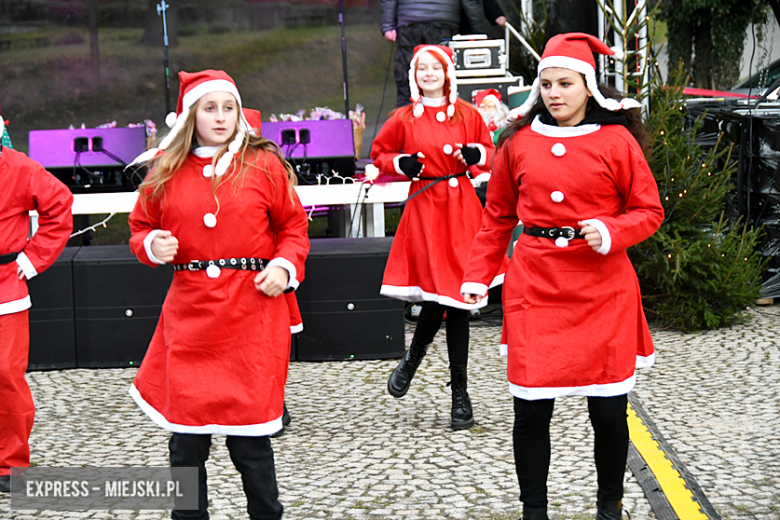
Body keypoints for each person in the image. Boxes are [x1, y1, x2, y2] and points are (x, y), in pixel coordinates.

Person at [461, 33, 664, 520]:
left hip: (603, 288)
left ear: (588, 88)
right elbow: (497, 218)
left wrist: (610, 230)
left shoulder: (616, 141)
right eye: (546, 84)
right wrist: (478, 273)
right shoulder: (519, 143)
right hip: (536, 285)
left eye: (566, 84)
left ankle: (609, 508)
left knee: (609, 412)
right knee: (531, 409)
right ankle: (535, 511)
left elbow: (649, 210)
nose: (554, 93)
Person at [127, 69, 310, 520]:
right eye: (210, 108)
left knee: (251, 442)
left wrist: (284, 266)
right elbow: (140, 227)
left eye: (228, 107)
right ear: (191, 115)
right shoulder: (165, 169)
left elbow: (294, 227)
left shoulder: (263, 163)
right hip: (190, 318)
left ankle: (267, 515)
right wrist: (152, 245)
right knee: (186, 443)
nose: (221, 117)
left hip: (249, 316)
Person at [370, 44, 503, 431]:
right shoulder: (403, 117)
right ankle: (433, 375)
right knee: (439, 293)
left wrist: (474, 153)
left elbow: (491, 153)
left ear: (447, 72)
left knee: (457, 296)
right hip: (426, 208)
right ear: (414, 74)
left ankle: (452, 387)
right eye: (422, 68)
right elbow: (379, 154)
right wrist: (400, 163)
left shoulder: (468, 113)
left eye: (436, 68)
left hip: (460, 207)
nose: (429, 74)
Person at [0, 113, 73, 493]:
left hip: (4, 290)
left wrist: (31, 259)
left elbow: (60, 206)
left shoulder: (19, 168)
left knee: (5, 378)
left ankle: (10, 463)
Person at [381, 0, 491, 108]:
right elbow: (471, 2)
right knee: (442, 79)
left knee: (407, 80)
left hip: (408, 23)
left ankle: (405, 121)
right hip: (444, 21)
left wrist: (388, 26)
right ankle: (442, 119)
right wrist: (479, 33)